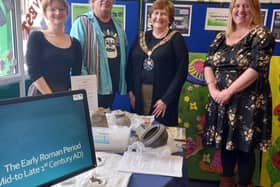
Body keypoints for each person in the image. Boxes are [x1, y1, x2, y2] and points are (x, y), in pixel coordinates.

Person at [202, 0, 275, 186]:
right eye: (237, 6)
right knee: (226, 145)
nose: (240, 10)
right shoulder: (220, 37)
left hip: (247, 103)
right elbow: (208, 64)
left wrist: (228, 91)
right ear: (231, 10)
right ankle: (227, 182)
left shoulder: (261, 34)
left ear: (255, 10)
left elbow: (256, 68)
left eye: (246, 6)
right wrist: (213, 90)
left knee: (245, 148)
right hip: (222, 100)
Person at [126, 0, 189, 126]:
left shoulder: (176, 39)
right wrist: (130, 92)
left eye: (163, 14)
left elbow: (181, 73)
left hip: (162, 98)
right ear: (150, 16)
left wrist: (166, 100)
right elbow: (129, 66)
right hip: (139, 95)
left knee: (160, 134)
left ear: (170, 18)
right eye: (156, 13)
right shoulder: (141, 37)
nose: (159, 17)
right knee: (139, 131)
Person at [70, 0, 128, 109]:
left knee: (105, 122)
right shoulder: (82, 23)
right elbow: (75, 58)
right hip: (91, 90)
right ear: (92, 1)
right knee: (90, 123)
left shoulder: (118, 25)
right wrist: (86, 85)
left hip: (112, 87)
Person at [26, 0, 82, 95]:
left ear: (67, 12)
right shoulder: (36, 37)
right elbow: (33, 71)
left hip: (65, 95)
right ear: (45, 13)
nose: (57, 12)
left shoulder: (75, 43)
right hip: (41, 94)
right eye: (52, 9)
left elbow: (76, 75)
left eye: (61, 9)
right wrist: (51, 97)